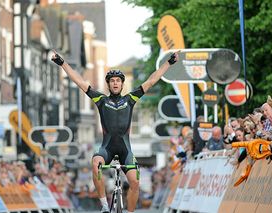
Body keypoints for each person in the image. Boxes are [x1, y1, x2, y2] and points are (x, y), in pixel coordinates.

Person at [51, 50, 179, 213]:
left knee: (135, 182)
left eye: (118, 80)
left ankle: (130, 211)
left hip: (126, 149)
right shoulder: (101, 100)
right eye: (112, 81)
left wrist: (169, 62)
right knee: (96, 163)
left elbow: (151, 80)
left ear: (122, 84)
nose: (115, 83)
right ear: (109, 84)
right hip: (107, 149)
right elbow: (79, 81)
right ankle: (105, 205)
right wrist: (62, 63)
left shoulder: (131, 99)